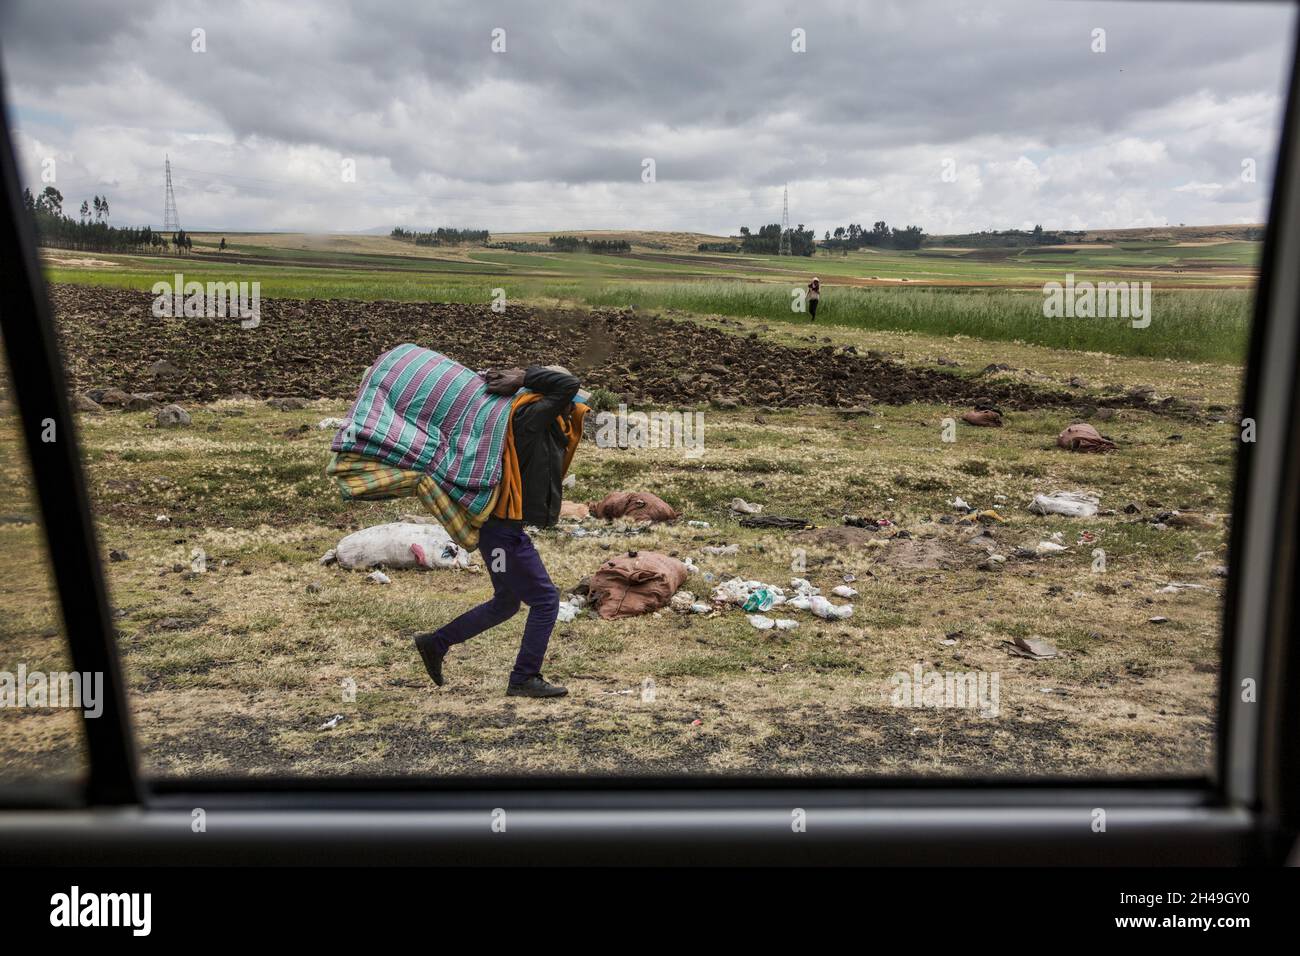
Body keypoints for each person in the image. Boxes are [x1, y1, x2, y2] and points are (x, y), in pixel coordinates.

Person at [413, 365, 586, 699]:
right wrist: (523, 377)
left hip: (497, 530)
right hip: (503, 533)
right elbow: (569, 383)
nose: (572, 404)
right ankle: (523, 678)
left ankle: (435, 643)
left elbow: (567, 392)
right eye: (567, 400)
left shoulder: (527, 418)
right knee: (546, 599)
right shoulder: (530, 416)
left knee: (507, 602)